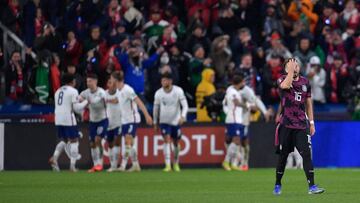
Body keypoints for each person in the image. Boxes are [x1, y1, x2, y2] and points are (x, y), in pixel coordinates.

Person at [273, 58, 325, 195]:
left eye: (296, 65)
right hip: (286, 125)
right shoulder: (282, 79)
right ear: (286, 69)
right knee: (283, 156)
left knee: (307, 155)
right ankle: (278, 183)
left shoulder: (305, 82)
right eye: (292, 65)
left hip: (302, 124)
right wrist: (290, 71)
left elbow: (308, 104)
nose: (295, 67)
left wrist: (312, 123)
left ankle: (312, 186)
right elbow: (285, 86)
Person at [114, 71, 153, 172]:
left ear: (117, 80)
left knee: (127, 140)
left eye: (112, 79)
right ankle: (136, 165)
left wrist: (147, 115)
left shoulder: (128, 90)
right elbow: (119, 101)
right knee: (131, 144)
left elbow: (139, 102)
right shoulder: (118, 91)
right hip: (124, 120)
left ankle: (123, 165)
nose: (111, 81)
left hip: (133, 119)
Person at [49, 74, 88, 172]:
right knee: (74, 141)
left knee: (65, 140)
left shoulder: (58, 91)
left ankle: (54, 158)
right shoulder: (73, 91)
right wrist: (87, 101)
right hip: (68, 118)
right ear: (72, 81)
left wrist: (79, 99)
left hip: (58, 118)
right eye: (74, 80)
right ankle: (72, 166)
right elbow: (77, 108)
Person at [153, 72, 188, 172]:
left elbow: (185, 105)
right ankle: (167, 165)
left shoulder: (178, 91)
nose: (163, 82)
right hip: (164, 121)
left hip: (176, 122)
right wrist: (155, 122)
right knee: (166, 140)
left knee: (176, 143)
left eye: (165, 80)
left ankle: (176, 162)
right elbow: (156, 109)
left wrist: (183, 116)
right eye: (162, 80)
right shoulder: (158, 93)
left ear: (170, 81)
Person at [80, 74, 108, 173]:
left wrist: (85, 102)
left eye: (90, 81)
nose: (88, 83)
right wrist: (82, 101)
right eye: (87, 81)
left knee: (97, 140)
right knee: (92, 143)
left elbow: (95, 102)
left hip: (103, 120)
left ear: (95, 81)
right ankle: (95, 165)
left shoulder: (101, 92)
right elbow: (78, 98)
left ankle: (100, 164)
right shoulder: (85, 92)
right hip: (92, 121)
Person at [222, 74, 249, 171]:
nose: (244, 83)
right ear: (240, 83)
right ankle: (226, 161)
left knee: (237, 142)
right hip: (233, 119)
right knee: (236, 140)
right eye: (243, 82)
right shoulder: (232, 92)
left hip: (237, 119)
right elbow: (236, 102)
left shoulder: (234, 91)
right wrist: (246, 105)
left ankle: (232, 163)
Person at [104, 74, 122, 172]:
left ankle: (115, 165)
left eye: (113, 82)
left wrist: (107, 101)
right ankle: (112, 165)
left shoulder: (119, 93)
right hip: (108, 123)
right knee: (110, 144)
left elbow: (116, 101)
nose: (112, 84)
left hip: (118, 122)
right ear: (108, 84)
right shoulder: (104, 93)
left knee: (117, 142)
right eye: (110, 82)